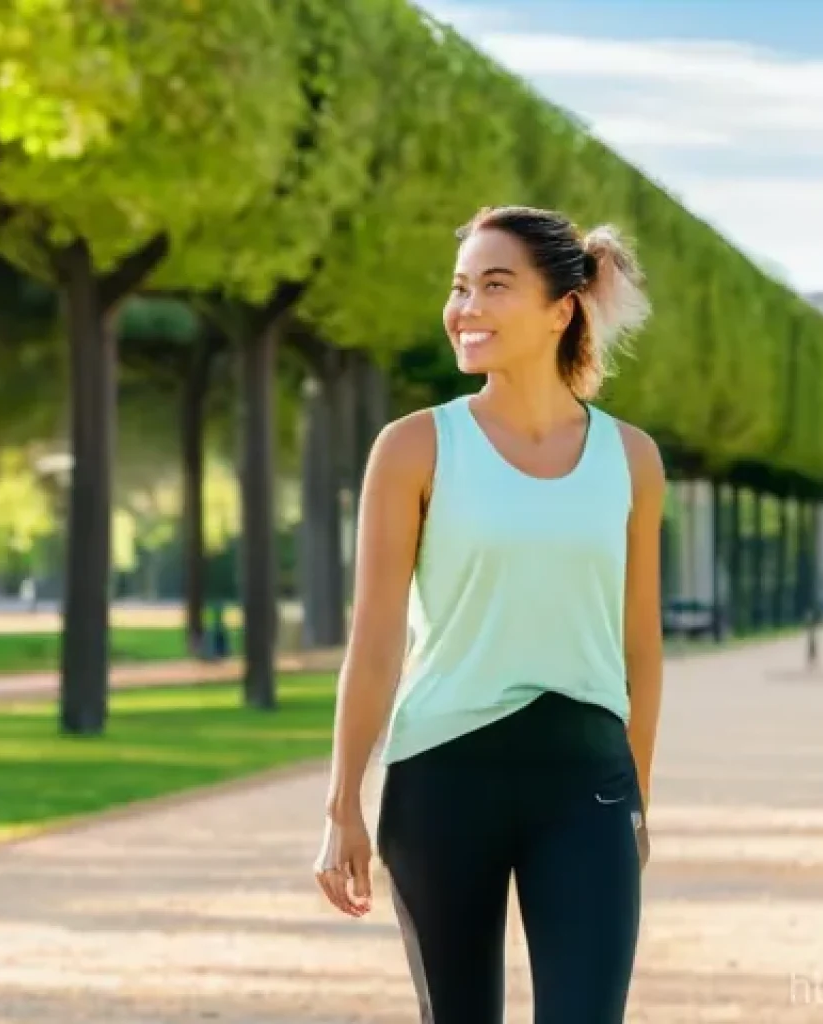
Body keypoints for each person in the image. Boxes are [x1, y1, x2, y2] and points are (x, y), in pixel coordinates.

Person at [313, 205, 666, 1023]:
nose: (465, 307)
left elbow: (640, 652)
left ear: (561, 307)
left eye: (494, 285)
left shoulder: (632, 459)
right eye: (460, 286)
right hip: (442, 780)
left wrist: (637, 798)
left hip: (588, 789)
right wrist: (342, 807)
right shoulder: (413, 448)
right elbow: (373, 647)